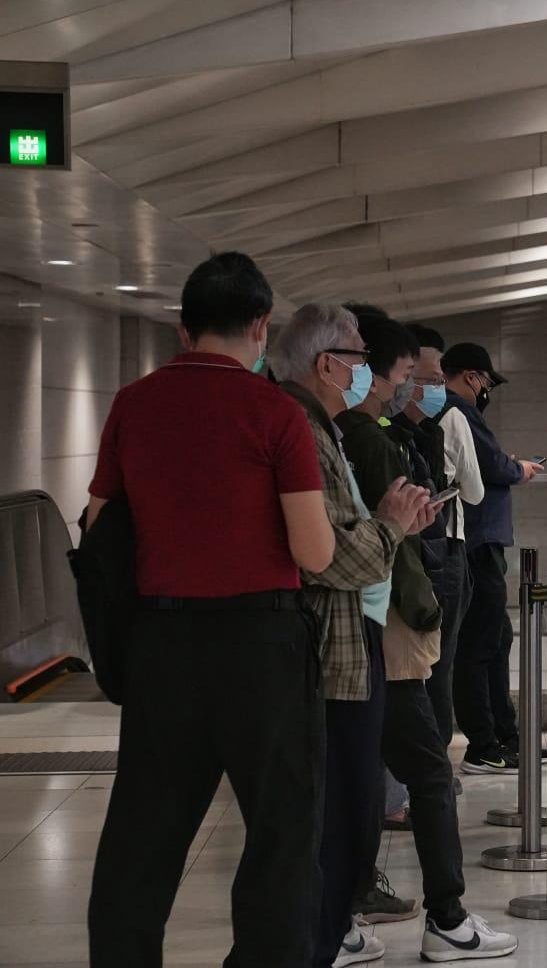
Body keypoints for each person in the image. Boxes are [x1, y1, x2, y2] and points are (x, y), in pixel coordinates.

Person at [83, 253, 332, 967]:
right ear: (261, 326)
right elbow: (313, 552)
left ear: (184, 328)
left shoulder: (134, 403)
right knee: (282, 836)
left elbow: (102, 525)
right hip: (263, 645)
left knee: (142, 837)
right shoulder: (276, 411)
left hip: (164, 643)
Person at [336, 313, 517, 961]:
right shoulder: (361, 435)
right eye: (409, 374)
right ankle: (447, 916)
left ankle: (341, 916)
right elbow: (379, 539)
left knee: (353, 776)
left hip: (363, 624)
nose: (410, 388)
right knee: (428, 772)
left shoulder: (344, 431)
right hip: (382, 625)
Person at [270, 302, 435, 966]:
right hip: (327, 650)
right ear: (328, 364)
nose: (371, 375)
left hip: (346, 641)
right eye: (362, 359)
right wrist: (392, 526)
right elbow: (335, 557)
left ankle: (324, 935)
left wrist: (392, 527)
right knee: (341, 816)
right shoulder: (301, 430)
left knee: (352, 812)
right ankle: (317, 942)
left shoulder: (323, 425)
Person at [442, 343, 543, 775]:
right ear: (472, 377)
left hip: (482, 544)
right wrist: (521, 468)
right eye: (486, 381)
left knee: (496, 640)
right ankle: (483, 743)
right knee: (480, 646)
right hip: (476, 543)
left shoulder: (459, 412)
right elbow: (492, 467)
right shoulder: (459, 412)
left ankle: (503, 734)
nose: (487, 390)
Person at [405, 324, 483, 749]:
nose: (437, 389)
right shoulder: (451, 418)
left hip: (417, 550)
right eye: (430, 381)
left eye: (439, 381)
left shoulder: (392, 426)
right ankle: (430, 764)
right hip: (441, 549)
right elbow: (475, 491)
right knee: (436, 662)